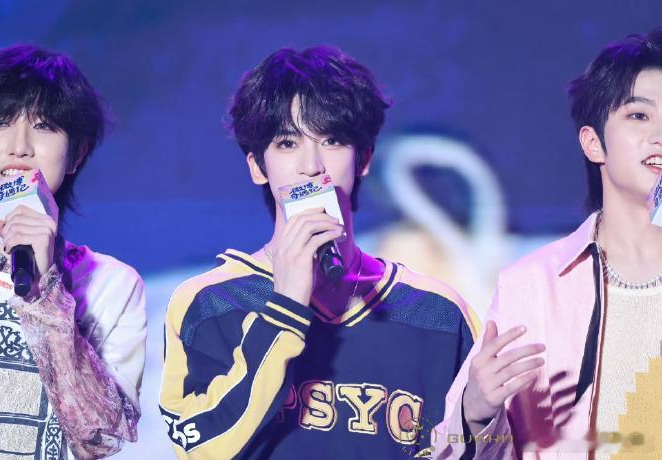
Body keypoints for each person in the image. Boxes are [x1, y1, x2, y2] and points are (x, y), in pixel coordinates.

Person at [159, 45, 478, 459]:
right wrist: (285, 308)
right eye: (287, 143)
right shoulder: (210, 303)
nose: (311, 166)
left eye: (332, 140)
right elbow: (202, 449)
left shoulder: (437, 313)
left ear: (363, 159)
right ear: (257, 166)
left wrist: (479, 416)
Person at [433, 28, 662, 459]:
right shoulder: (534, 286)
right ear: (594, 143)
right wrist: (476, 412)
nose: (660, 133)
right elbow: (451, 448)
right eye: (639, 115)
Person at [0, 45, 146, 459]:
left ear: (76, 155)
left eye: (44, 126)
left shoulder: (112, 284)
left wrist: (46, 292)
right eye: (0, 122)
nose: (19, 147)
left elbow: (99, 441)